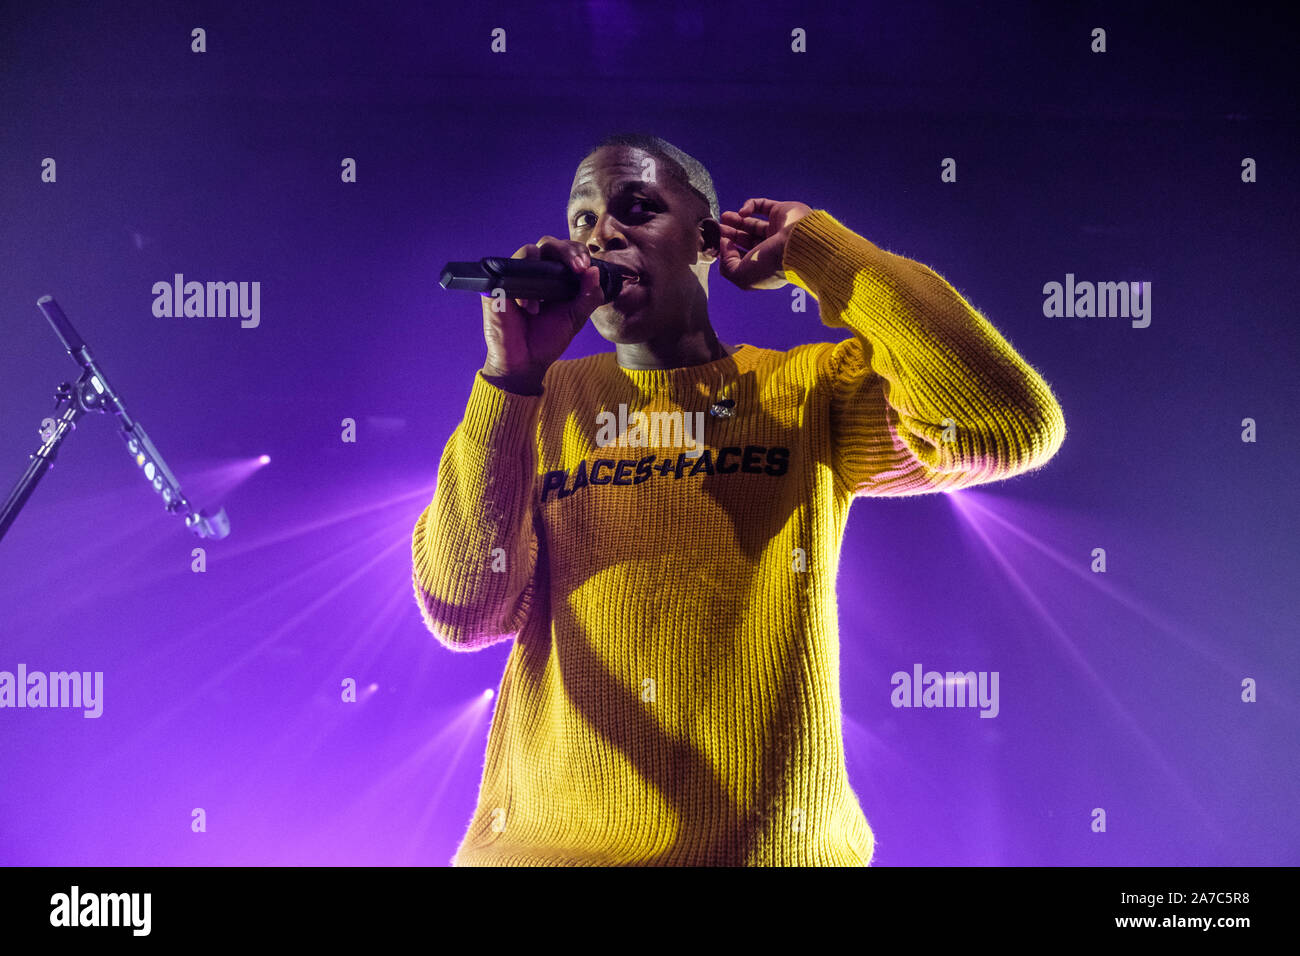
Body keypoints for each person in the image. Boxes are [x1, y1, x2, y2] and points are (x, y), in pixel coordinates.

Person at [411, 132, 1066, 866]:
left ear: (706, 237)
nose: (603, 235)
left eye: (636, 207)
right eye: (583, 221)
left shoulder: (806, 393)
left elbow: (1007, 426)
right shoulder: (539, 404)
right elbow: (465, 613)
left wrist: (819, 251)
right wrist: (509, 379)